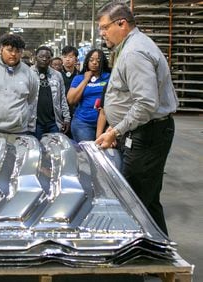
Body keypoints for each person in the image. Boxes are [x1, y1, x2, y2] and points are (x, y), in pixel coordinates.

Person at [95, 3, 178, 235]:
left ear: (121, 23)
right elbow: (128, 97)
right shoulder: (128, 46)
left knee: (133, 202)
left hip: (148, 134)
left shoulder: (134, 53)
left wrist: (115, 131)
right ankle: (159, 252)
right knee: (147, 201)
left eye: (104, 27)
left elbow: (145, 104)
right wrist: (116, 125)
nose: (102, 33)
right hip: (142, 131)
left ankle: (134, 262)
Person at [67, 49, 111, 142]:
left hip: (106, 122)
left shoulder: (109, 77)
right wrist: (86, 79)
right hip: (83, 123)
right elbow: (71, 100)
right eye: (91, 60)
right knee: (89, 153)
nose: (94, 63)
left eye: (98, 60)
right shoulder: (79, 78)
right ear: (87, 62)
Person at [32, 46, 70, 140]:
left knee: (56, 150)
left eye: (48, 57)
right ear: (35, 57)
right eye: (41, 56)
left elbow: (62, 98)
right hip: (35, 123)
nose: (44, 59)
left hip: (54, 122)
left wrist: (66, 118)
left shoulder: (57, 75)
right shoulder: (28, 73)